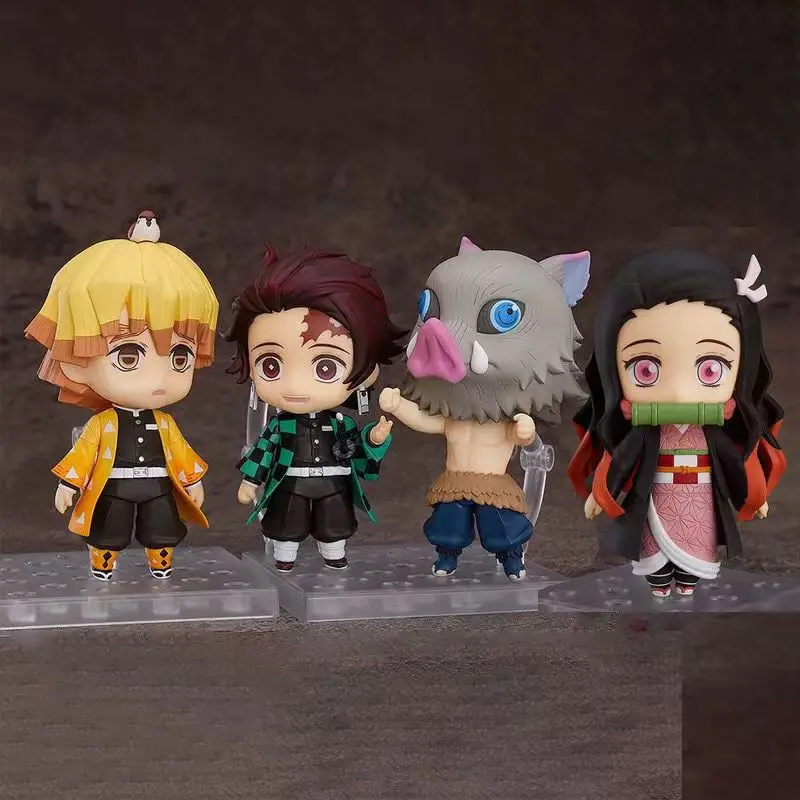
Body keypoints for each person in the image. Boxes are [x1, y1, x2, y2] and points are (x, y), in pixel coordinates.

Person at [567, 249, 787, 597]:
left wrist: (752, 494)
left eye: (711, 369)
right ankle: (658, 581)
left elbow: (732, 463)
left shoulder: (712, 435)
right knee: (654, 547)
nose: (680, 393)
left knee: (696, 545)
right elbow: (623, 460)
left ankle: (687, 580)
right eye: (645, 370)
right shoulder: (645, 432)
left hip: (699, 497)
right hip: (657, 493)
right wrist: (603, 489)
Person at [380, 236, 591, 581]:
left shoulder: (503, 420)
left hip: (493, 483)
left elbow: (523, 438)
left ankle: (512, 560)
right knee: (448, 526)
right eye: (429, 309)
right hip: (454, 481)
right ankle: (447, 557)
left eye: (504, 315)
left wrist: (525, 432)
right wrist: (399, 406)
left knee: (501, 527)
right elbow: (429, 421)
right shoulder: (454, 417)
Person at [24, 211, 219, 580]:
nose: (158, 378)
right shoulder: (103, 425)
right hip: (113, 487)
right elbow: (83, 454)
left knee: (162, 526)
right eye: (128, 356)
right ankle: (104, 561)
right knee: (109, 528)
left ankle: (160, 561)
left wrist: (192, 479)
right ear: (77, 360)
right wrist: (69, 483)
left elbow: (180, 452)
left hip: (158, 486)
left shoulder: (165, 423)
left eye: (180, 357)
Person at [224, 245, 406, 571]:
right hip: (290, 483)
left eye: (325, 367)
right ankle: (285, 555)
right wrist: (250, 481)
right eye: (270, 365)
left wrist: (374, 440)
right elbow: (264, 450)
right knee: (286, 521)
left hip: (334, 484)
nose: (295, 385)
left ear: (367, 369)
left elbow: (357, 454)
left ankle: (334, 552)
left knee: (334, 521)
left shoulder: (340, 424)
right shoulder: (281, 426)